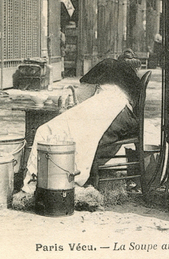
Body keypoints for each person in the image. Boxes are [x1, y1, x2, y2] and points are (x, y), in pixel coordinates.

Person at [21, 54, 142, 193]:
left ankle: (45, 178)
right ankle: (50, 176)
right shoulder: (123, 84)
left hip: (111, 113)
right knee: (65, 129)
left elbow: (84, 98)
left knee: (53, 130)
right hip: (117, 113)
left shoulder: (110, 83)